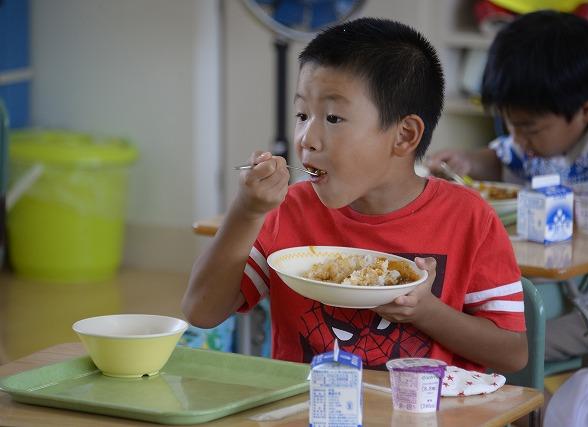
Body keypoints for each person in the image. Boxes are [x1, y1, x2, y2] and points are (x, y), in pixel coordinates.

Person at [182, 17, 528, 373]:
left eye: (333, 118)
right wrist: (247, 211)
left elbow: (512, 354)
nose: (307, 138)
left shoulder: (469, 218)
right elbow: (201, 311)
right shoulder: (290, 209)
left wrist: (425, 311)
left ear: (405, 135)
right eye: (302, 114)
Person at [429, 10, 588, 226]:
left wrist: (570, 206)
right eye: (509, 124)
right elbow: (502, 162)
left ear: (587, 112)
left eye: (529, 129)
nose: (518, 139)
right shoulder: (534, 138)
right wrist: (467, 162)